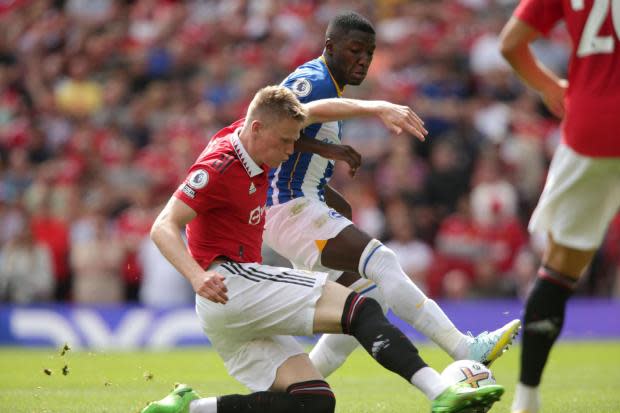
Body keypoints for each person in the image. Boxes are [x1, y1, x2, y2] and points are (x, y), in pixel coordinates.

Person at [142, 85, 504, 413]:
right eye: (285, 142)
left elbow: (315, 109)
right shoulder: (220, 166)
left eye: (293, 140)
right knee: (361, 307)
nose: (289, 151)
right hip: (231, 284)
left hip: (228, 307)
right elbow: (163, 225)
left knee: (313, 401)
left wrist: (376, 108)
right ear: (257, 130)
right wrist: (196, 275)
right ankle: (440, 392)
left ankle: (188, 409)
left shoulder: (257, 132)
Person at [264, 11, 520, 378]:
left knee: (368, 298)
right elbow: (276, 124)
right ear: (330, 47)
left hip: (296, 206)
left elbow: (296, 154)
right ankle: (466, 348)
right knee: (382, 263)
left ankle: (295, 391)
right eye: (354, 50)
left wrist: (332, 176)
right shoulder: (313, 79)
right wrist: (376, 107)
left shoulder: (329, 90)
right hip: (287, 208)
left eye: (369, 52)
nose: (363, 60)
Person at [499, 1, 620, 412]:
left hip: (593, 127)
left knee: (561, 266)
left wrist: (550, 86)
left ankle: (526, 399)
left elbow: (511, 43)